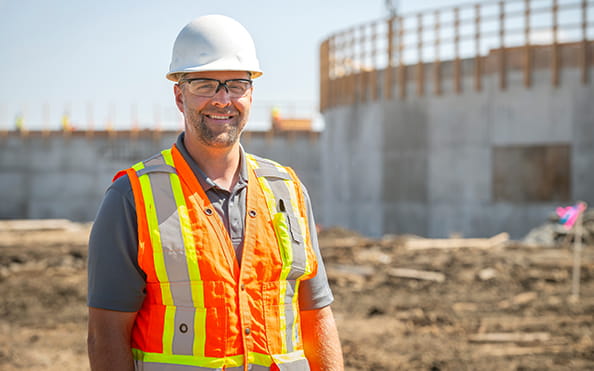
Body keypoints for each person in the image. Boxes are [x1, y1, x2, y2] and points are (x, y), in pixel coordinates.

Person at [87, 14, 344, 371]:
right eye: (205, 85)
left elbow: (316, 315)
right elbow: (106, 333)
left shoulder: (287, 191)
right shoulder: (131, 197)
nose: (223, 99)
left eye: (236, 85)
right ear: (179, 95)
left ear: (251, 93)